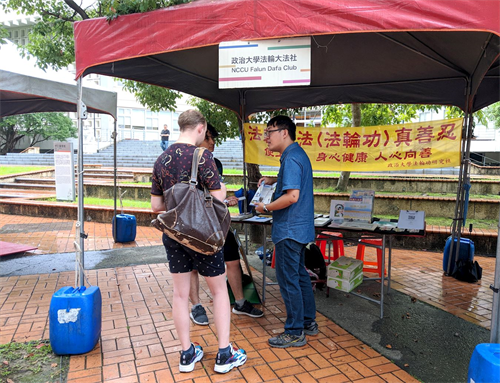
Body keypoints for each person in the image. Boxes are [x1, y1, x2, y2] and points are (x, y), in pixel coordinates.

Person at [151, 110, 247, 373]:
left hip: (174, 236)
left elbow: (156, 205)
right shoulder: (202, 156)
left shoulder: (161, 160)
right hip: (203, 235)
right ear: (201, 128)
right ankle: (224, 354)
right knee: (218, 291)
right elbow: (218, 198)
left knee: (180, 295)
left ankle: (186, 355)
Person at [189, 123, 264, 326]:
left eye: (213, 138)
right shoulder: (184, 162)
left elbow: (215, 193)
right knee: (193, 267)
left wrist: (224, 200)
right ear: (197, 136)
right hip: (195, 225)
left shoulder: (214, 163)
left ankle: (239, 302)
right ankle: (196, 307)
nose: (213, 143)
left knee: (232, 259)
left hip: (219, 223)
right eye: (209, 138)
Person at [254, 115, 318, 348]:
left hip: (289, 230)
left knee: (288, 279)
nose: (266, 137)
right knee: (300, 276)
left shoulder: (291, 158)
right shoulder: (296, 155)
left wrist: (266, 207)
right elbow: (291, 185)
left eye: (270, 131)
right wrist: (273, 179)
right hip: (298, 230)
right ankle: (308, 322)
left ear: (284, 133)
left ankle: (294, 332)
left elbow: (292, 196)